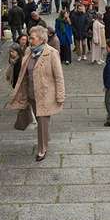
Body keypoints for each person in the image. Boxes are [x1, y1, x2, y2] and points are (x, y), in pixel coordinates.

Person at [7, 26, 65, 161]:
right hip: (31, 94)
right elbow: (23, 73)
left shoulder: (51, 53)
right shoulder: (29, 51)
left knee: (42, 121)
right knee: (40, 122)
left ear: (41, 39)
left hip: (45, 95)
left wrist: (60, 95)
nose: (29, 40)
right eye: (29, 37)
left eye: (32, 38)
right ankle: (45, 138)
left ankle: (42, 149)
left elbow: (59, 76)